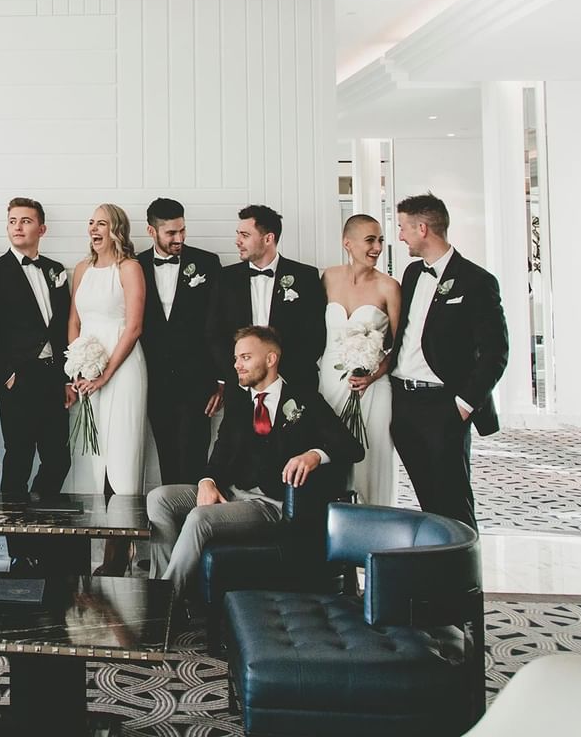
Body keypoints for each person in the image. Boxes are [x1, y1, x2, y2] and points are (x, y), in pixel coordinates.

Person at [147, 326, 364, 603]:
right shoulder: (238, 402)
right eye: (236, 358)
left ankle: (163, 604)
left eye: (246, 357)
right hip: (233, 493)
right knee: (159, 499)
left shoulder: (305, 399)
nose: (237, 365)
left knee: (199, 519)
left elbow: (351, 447)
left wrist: (314, 454)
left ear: (271, 360)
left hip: (269, 504)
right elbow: (220, 452)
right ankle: (169, 589)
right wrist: (207, 483)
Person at [389, 193, 508, 530]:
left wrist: (464, 404)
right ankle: (436, 577)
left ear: (423, 228)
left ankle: (464, 582)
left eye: (403, 228)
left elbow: (496, 351)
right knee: (427, 501)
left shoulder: (477, 281)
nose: (400, 236)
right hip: (404, 402)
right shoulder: (412, 274)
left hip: (443, 405)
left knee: (453, 503)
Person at [0, 197, 73, 574]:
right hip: (18, 382)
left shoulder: (57, 271)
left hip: (51, 378)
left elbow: (62, 331)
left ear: (41, 229)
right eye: (12, 220)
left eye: (26, 221)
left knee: (58, 458)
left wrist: (66, 377)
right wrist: (5, 375)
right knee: (18, 461)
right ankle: (18, 548)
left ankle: (43, 535)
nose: (18, 227)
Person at [65, 204, 147, 575]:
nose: (93, 228)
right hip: (86, 371)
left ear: (116, 229)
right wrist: (77, 367)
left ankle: (120, 551)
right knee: (88, 457)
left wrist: (105, 374)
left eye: (101, 222)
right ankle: (89, 551)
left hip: (124, 368)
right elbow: (74, 321)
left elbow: (133, 327)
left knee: (123, 453)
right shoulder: (81, 269)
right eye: (91, 222)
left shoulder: (129, 269)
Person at [136, 197, 224, 486]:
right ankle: (173, 527)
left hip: (197, 381)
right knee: (166, 459)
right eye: (171, 233)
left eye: (182, 230)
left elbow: (219, 323)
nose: (179, 238)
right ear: (152, 231)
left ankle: (198, 525)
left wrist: (221, 380)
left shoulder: (207, 263)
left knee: (195, 459)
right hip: (153, 380)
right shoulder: (135, 266)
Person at [319, 215, 401, 507]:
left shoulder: (389, 287)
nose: (377, 247)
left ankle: (376, 518)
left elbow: (398, 346)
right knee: (331, 450)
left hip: (373, 387)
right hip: (329, 382)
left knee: (373, 455)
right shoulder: (328, 277)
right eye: (370, 240)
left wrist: (374, 374)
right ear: (348, 243)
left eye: (380, 240)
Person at [207, 205, 326, 400]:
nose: (237, 241)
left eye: (245, 235)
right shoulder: (225, 278)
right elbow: (214, 332)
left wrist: (278, 374)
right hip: (240, 386)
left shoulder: (306, 277)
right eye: (238, 234)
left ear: (268, 238)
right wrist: (238, 372)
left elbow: (315, 335)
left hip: (294, 383)